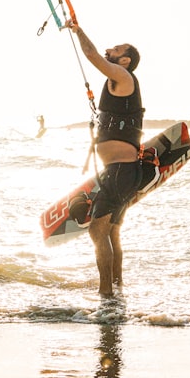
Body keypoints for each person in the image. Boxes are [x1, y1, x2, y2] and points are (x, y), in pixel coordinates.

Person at [68, 21, 144, 298]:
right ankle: (116, 289)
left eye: (116, 49)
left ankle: (105, 296)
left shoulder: (124, 77)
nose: (109, 49)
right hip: (122, 172)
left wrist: (77, 30)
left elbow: (92, 57)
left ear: (124, 60)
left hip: (120, 172)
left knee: (98, 233)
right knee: (111, 233)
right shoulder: (118, 82)